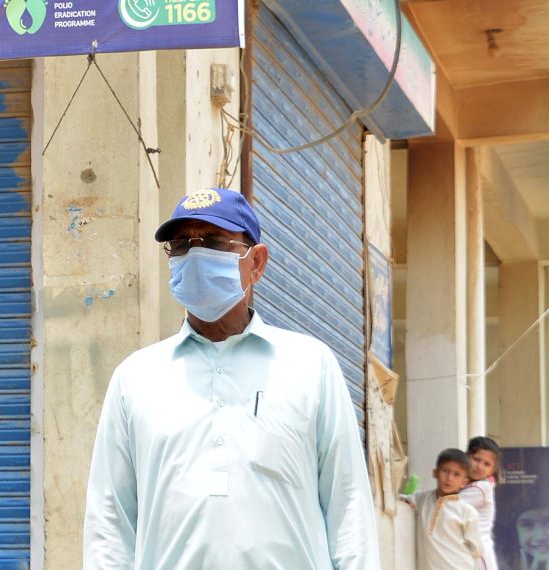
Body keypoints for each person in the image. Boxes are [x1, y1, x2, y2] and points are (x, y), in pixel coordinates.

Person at [82, 187, 379, 569]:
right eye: (182, 246)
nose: (196, 256)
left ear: (257, 262)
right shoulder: (136, 377)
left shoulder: (310, 365)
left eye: (214, 242)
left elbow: (348, 504)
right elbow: (110, 519)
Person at [406, 448, 483, 569]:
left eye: (456, 474)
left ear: (464, 482)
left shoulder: (467, 512)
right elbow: (402, 499)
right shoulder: (421, 499)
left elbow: (476, 550)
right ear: (435, 473)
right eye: (445, 471)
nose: (449, 478)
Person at [461, 436, 502, 569]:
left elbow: (447, 505)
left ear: (492, 469)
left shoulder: (481, 488)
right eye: (476, 459)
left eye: (487, 464)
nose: (479, 467)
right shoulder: (467, 484)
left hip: (479, 556)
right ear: (466, 457)